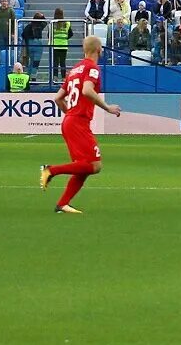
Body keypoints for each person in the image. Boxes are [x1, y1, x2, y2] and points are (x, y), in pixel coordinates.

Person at [40, 35, 122, 215]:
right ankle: (50, 170)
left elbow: (57, 98)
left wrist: (70, 113)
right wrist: (107, 107)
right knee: (94, 165)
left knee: (83, 167)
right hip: (78, 122)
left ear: (84, 50)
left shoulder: (74, 69)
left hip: (70, 120)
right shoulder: (92, 68)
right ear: (100, 50)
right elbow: (86, 90)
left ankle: (62, 204)